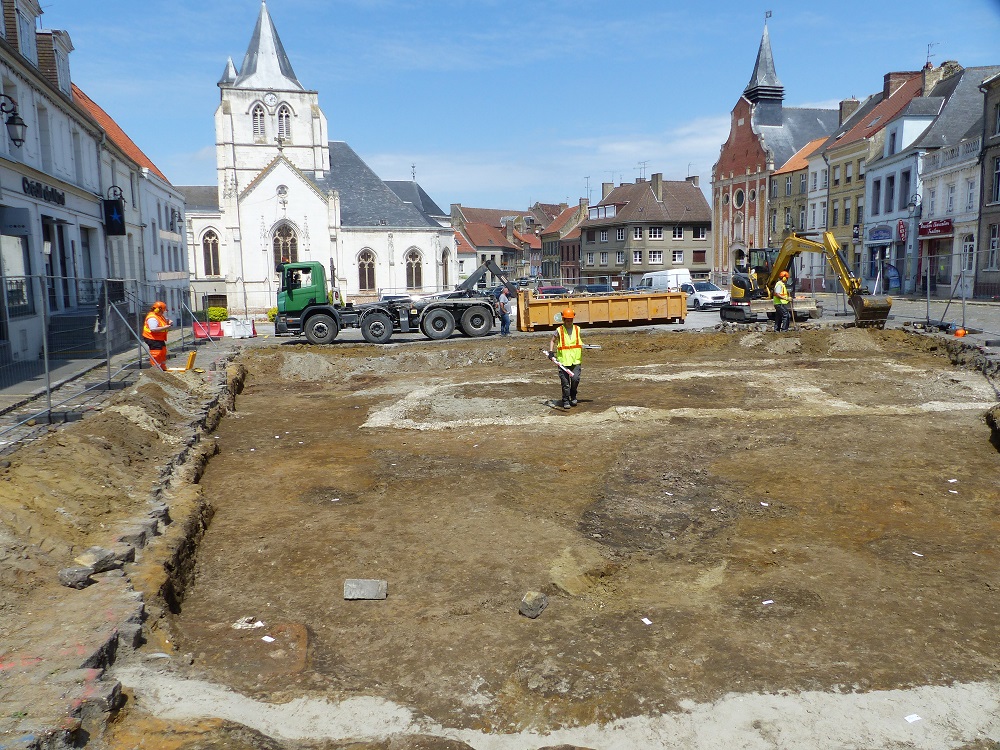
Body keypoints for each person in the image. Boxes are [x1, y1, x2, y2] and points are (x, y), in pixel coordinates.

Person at [547, 307, 583, 409]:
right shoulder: (559, 330)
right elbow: (552, 341)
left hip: (576, 360)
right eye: (567, 320)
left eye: (571, 320)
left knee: (575, 379)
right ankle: (566, 399)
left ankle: (573, 395)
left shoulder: (577, 329)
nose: (569, 322)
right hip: (563, 362)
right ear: (563, 320)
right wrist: (551, 352)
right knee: (565, 383)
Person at [142, 300, 173, 370]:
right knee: (156, 353)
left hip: (158, 338)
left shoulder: (159, 315)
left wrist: (168, 321)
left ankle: (162, 368)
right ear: (157, 310)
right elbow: (153, 329)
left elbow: (164, 320)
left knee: (163, 351)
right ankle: (156, 369)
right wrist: (166, 327)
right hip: (152, 338)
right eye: (163, 311)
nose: (164, 312)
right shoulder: (152, 318)